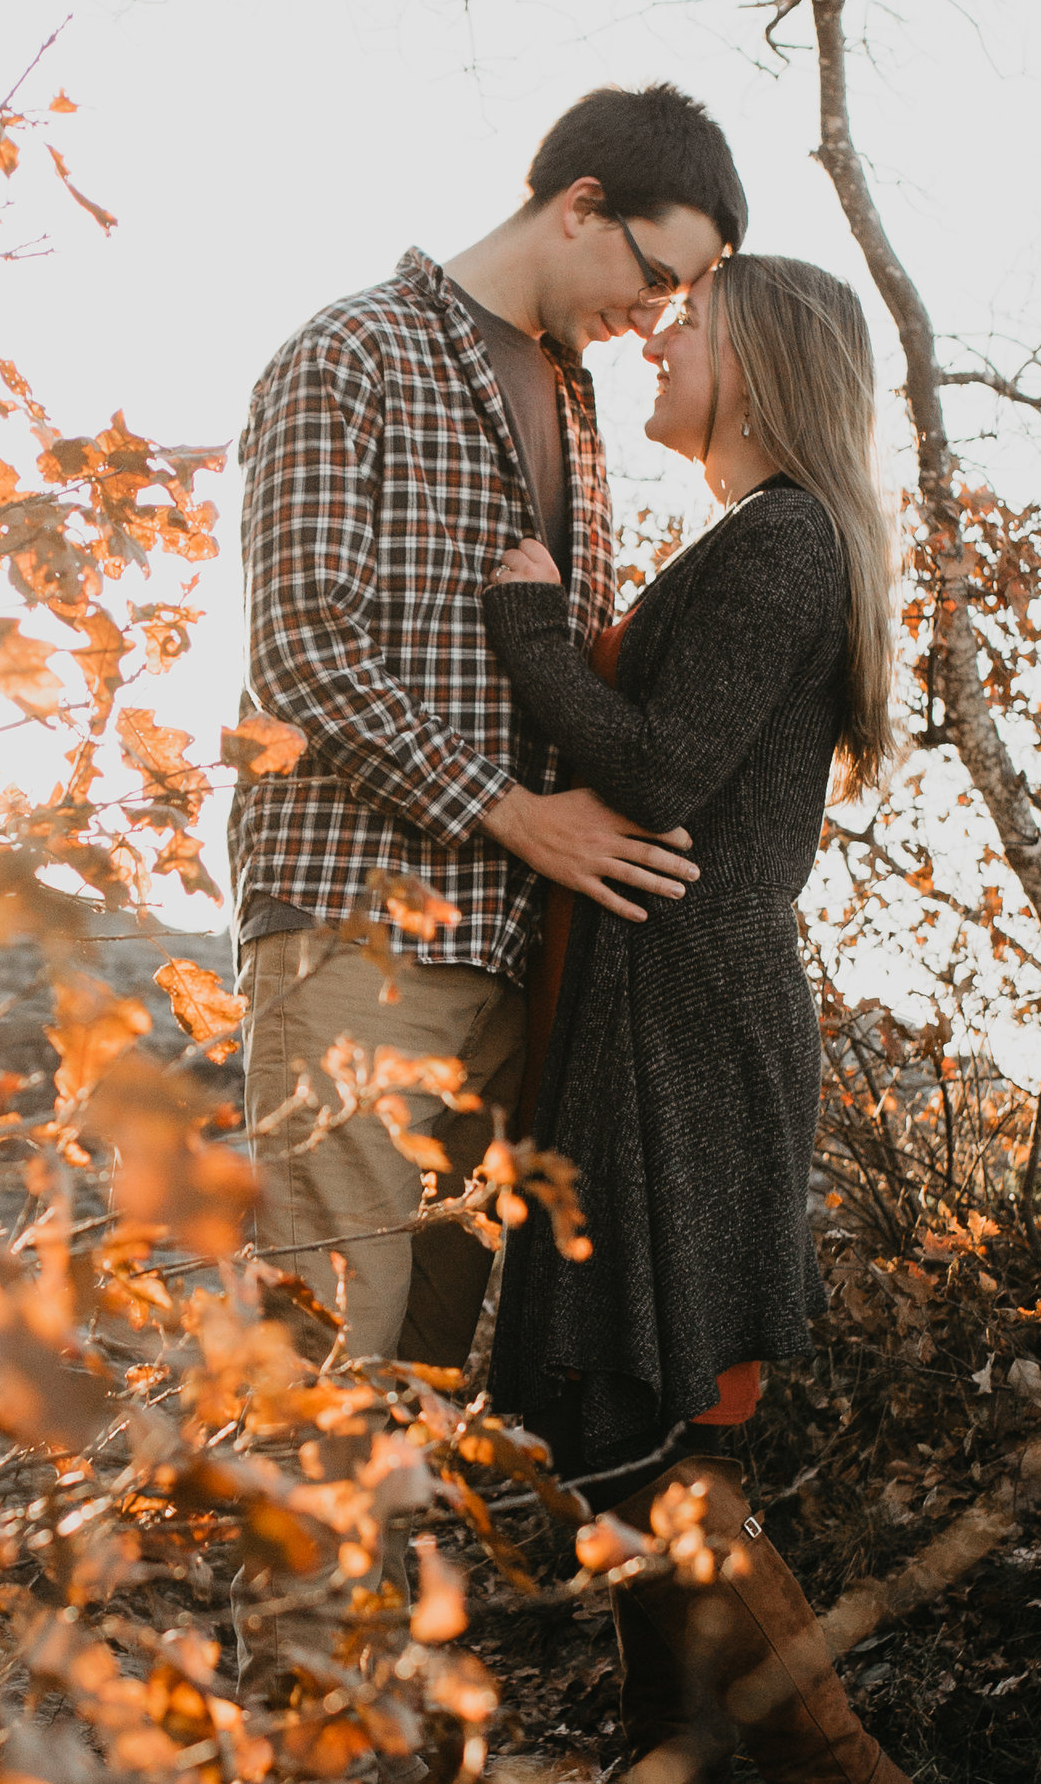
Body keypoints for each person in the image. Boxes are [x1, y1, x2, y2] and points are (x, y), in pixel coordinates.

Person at [482, 251, 930, 1784]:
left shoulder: (790, 538)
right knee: (621, 1417)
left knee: (648, 1423)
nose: (659, 335)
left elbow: (661, 772)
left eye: (689, 321)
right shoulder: (762, 540)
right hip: (653, 1010)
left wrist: (528, 617)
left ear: (760, 358)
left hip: (689, 1019)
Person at [229, 83, 742, 1375]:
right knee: (320, 1365)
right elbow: (303, 649)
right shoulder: (349, 351)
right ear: (582, 206)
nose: (653, 321)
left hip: (515, 954)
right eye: (653, 277)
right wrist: (520, 816)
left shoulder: (575, 405)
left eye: (679, 303)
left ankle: (389, 1590)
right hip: (358, 923)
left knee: (421, 1375)